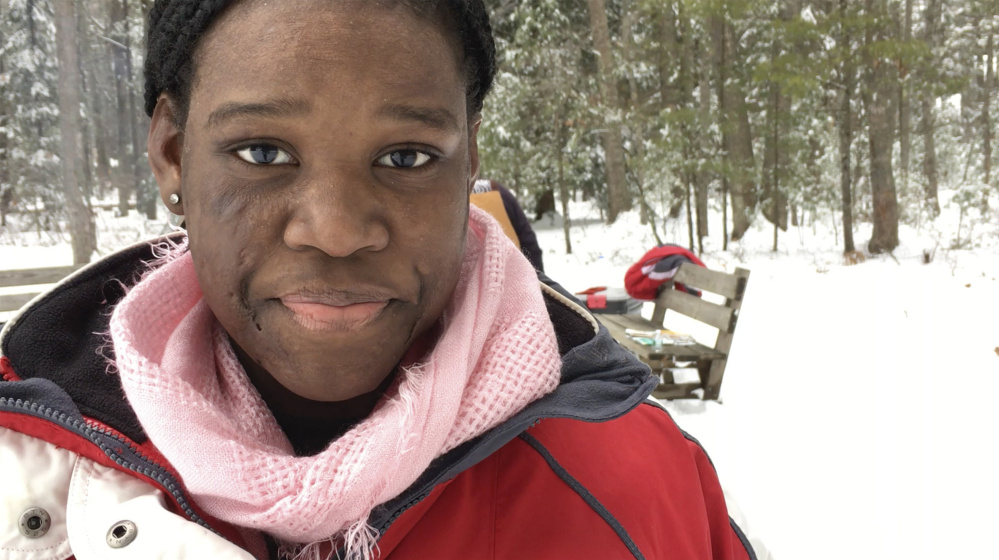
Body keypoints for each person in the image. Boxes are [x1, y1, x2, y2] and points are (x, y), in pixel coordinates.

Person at [0, 1, 756, 559]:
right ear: (172, 154)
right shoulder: (26, 472)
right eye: (263, 152)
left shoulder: (639, 488)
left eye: (405, 157)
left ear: (467, 161)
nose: (335, 231)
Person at [470, 178, 545, 271]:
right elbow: (529, 241)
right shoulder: (496, 189)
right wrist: (537, 275)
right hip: (516, 271)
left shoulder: (455, 196)